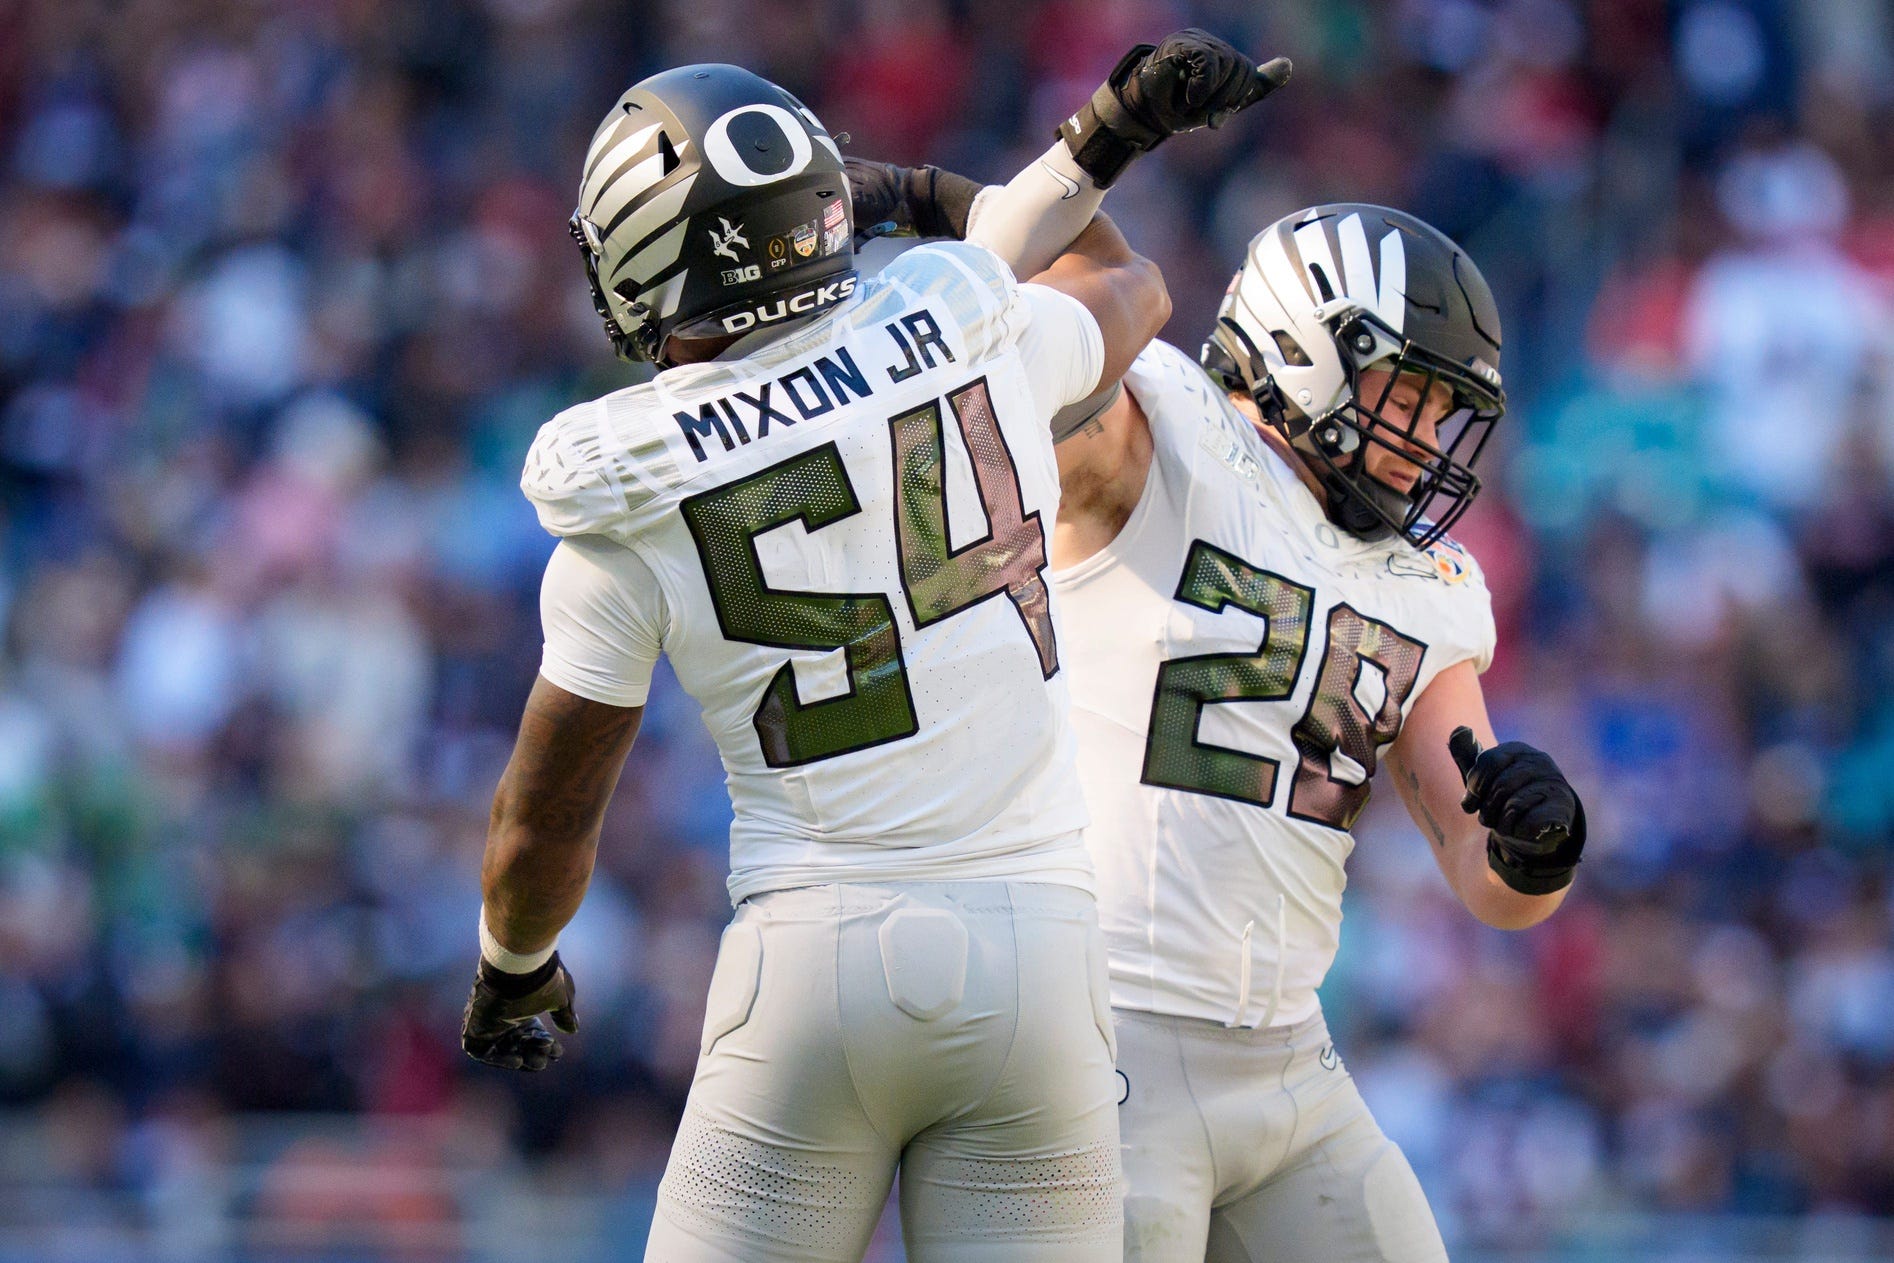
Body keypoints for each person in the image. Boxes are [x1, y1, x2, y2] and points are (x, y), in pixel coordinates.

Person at [456, 37, 1290, 1263]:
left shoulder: (628, 493)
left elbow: (545, 816)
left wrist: (514, 965)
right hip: (1041, 962)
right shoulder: (967, 331)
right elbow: (1133, 288)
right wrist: (938, 187)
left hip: (815, 964)